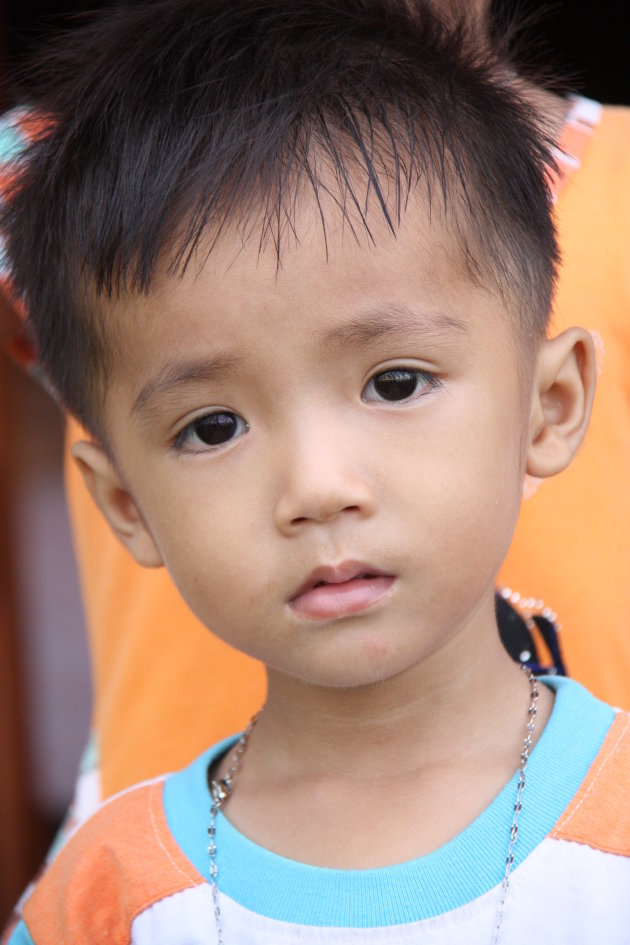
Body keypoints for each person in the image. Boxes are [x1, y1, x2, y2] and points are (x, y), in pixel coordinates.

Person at [4, 2, 630, 942]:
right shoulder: (109, 897)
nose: (317, 486)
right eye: (213, 426)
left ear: (550, 406)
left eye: (395, 382)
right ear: (125, 502)